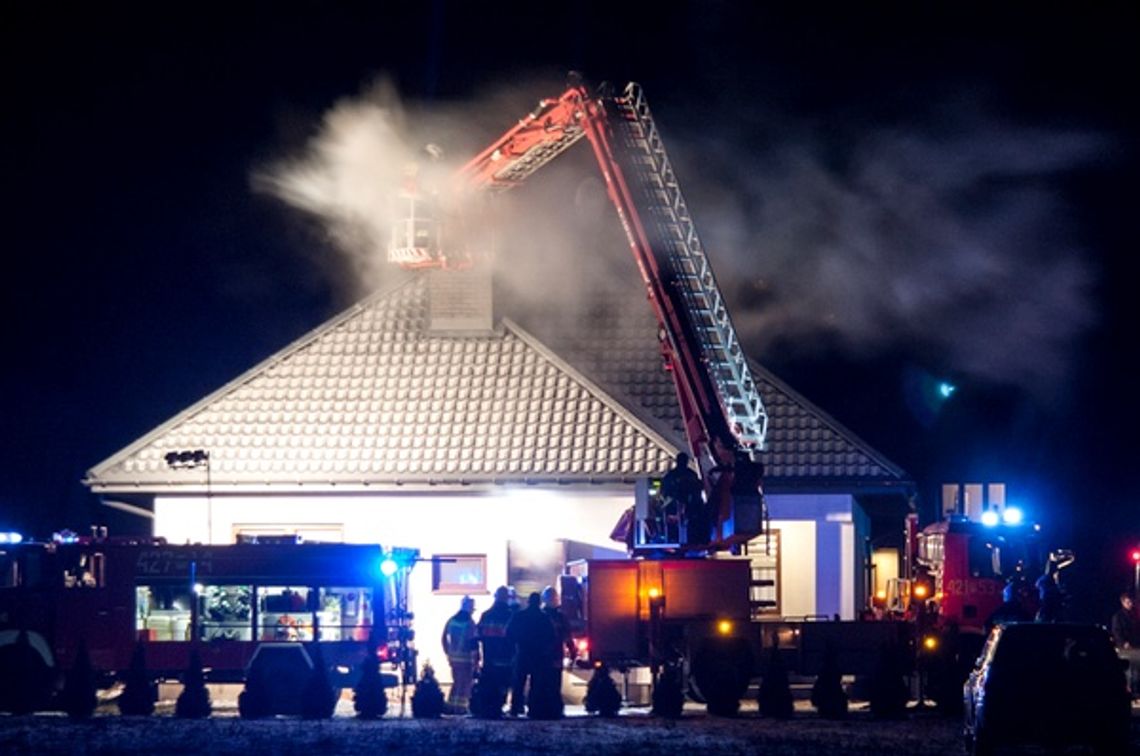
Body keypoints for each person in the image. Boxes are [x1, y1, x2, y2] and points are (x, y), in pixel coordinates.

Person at [506, 592, 557, 717]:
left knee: (518, 681)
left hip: (522, 652)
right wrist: (546, 649)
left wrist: (515, 646)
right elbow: (552, 636)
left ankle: (515, 708)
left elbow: (508, 633)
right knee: (536, 682)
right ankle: (534, 708)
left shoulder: (519, 616)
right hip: (538, 655)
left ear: (528, 602)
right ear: (539, 602)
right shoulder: (544, 618)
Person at [476, 586, 514, 717]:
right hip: (506, 658)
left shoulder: (486, 615)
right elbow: (514, 637)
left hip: (489, 658)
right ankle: (499, 706)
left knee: (490, 683)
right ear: (506, 598)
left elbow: (478, 636)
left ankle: (490, 708)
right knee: (503, 683)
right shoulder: (510, 615)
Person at [441, 595, 479, 712]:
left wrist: (448, 652)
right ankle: (461, 707)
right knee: (465, 684)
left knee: (456, 682)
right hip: (466, 659)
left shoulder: (451, 620)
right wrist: (477, 660)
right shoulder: (470, 623)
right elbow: (473, 643)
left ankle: (451, 706)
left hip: (453, 658)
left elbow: (443, 638)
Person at [661, 451, 704, 545]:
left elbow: (698, 489)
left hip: (691, 507)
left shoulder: (690, 475)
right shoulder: (672, 476)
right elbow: (664, 493)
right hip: (674, 507)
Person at [1110, 591, 1140, 697]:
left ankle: (1136, 692)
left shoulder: (1136, 615)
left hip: (1136, 647)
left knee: (1136, 672)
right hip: (1125, 649)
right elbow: (1116, 632)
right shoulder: (1118, 616)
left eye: (1131, 602)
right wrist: (1123, 643)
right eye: (1128, 602)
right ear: (1123, 602)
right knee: (1128, 673)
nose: (1130, 604)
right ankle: (1129, 692)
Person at [1034, 557, 1064, 622]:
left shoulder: (1043, 579)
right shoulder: (1048, 580)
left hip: (1045, 603)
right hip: (1048, 603)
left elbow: (1036, 586)